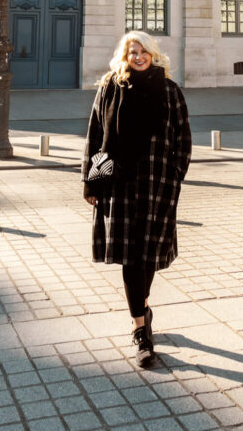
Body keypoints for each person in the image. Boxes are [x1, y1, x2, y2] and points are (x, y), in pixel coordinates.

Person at [82, 31, 192, 368]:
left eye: (143, 51)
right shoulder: (111, 88)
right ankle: (141, 330)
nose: (138, 56)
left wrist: (174, 177)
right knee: (131, 258)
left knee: (148, 257)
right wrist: (92, 180)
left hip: (158, 185)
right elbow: (97, 135)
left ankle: (142, 306)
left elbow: (183, 138)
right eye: (132, 51)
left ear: (153, 54)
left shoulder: (170, 91)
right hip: (121, 185)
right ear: (124, 56)